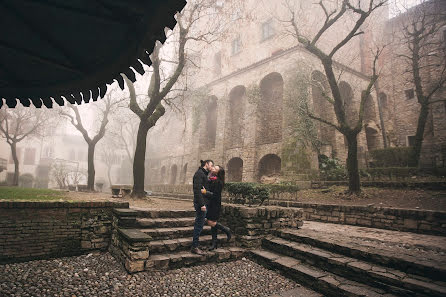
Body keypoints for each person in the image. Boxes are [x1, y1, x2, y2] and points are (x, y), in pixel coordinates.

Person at [201, 165, 231, 250]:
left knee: (211, 223)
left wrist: (205, 192)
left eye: (215, 168)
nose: (213, 168)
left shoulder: (219, 182)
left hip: (215, 205)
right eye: (213, 167)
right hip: (210, 204)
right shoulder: (211, 179)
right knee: (212, 225)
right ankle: (214, 243)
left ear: (218, 172)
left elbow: (215, 195)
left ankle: (226, 230)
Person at [191, 159, 213, 255]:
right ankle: (194, 247)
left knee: (199, 224)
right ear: (206, 164)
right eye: (211, 165)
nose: (211, 167)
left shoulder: (204, 174)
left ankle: (196, 245)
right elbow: (197, 190)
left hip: (203, 203)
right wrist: (202, 204)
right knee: (199, 225)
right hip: (201, 204)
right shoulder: (199, 174)